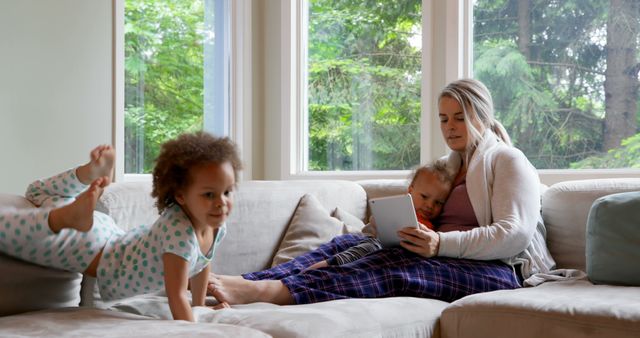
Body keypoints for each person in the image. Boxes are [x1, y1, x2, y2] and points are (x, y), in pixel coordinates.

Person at [207, 78, 555, 306]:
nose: (449, 127)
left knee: (393, 265)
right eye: (443, 118)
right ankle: (246, 281)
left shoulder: (508, 161)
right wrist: (387, 230)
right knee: (346, 244)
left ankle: (267, 293)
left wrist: (439, 245)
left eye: (459, 117)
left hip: (500, 270)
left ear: (481, 115)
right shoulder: (447, 168)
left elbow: (513, 235)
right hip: (442, 253)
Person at [0, 132, 242, 321]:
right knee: (30, 204)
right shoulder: (179, 234)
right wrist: (194, 331)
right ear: (180, 195)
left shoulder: (214, 225)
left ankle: (86, 177)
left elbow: (201, 264)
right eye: (209, 194)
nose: (221, 203)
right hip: (92, 248)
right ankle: (68, 213)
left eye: (227, 192)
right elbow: (177, 294)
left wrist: (199, 308)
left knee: (36, 192)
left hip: (106, 234)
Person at [306, 161, 454, 270]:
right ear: (410, 191)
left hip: (396, 255)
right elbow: (373, 222)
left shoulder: (435, 226)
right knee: (364, 248)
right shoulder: (400, 207)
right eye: (424, 196)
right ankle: (320, 267)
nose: (430, 205)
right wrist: (378, 223)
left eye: (438, 202)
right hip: (376, 243)